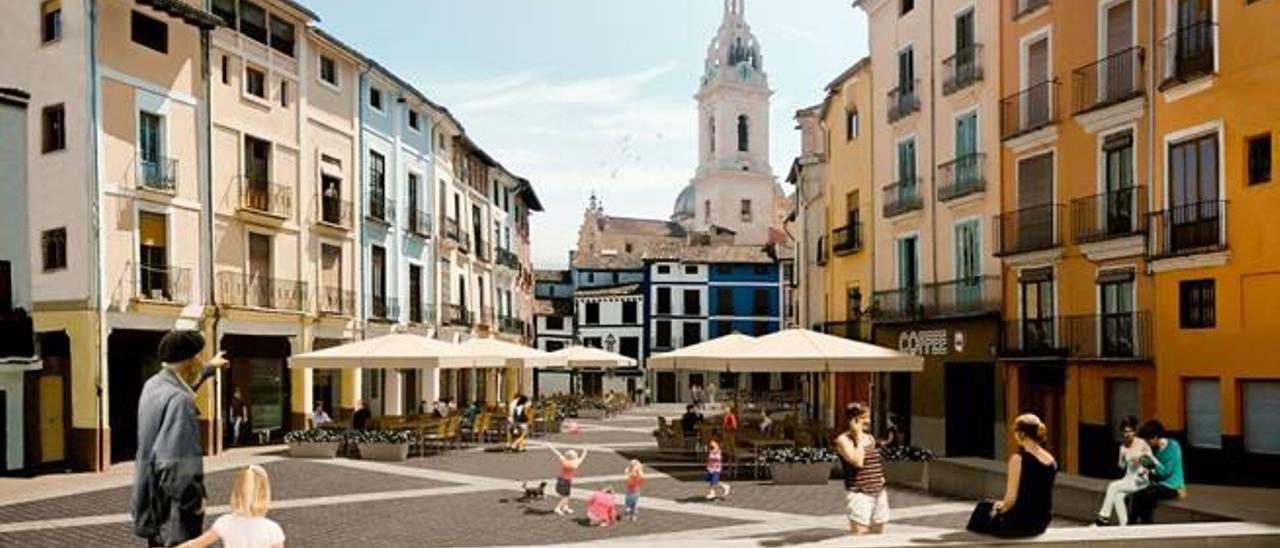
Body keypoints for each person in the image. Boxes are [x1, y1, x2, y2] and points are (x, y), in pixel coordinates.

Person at [132, 330, 227, 547]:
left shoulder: (153, 386)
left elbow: (184, 384)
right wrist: (194, 503)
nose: (201, 361)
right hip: (173, 517)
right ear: (190, 361)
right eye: (199, 357)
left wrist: (210, 368)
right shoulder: (180, 401)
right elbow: (177, 465)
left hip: (151, 505)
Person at [966, 413, 1058, 538]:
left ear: (1021, 434)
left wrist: (996, 510)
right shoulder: (1051, 459)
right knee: (987, 506)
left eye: (1015, 430)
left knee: (982, 509)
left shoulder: (1018, 459)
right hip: (1041, 522)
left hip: (1020, 522)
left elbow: (1010, 500)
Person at [177, 465, 284, 548]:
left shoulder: (225, 523)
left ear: (236, 493)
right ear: (265, 494)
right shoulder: (273, 530)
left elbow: (194, 544)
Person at [834, 402, 889, 535]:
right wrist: (858, 438)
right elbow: (858, 462)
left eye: (868, 417)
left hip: (878, 491)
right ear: (853, 420)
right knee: (859, 537)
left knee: (878, 536)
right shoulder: (843, 440)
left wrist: (881, 478)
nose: (869, 421)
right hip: (860, 493)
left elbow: (873, 460)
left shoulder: (869, 437)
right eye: (865, 417)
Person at [1095, 417, 1159, 526]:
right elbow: (1121, 466)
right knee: (1118, 496)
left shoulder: (1142, 444)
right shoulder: (1122, 447)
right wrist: (1122, 458)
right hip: (1128, 479)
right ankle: (1124, 525)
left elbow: (1152, 462)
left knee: (1113, 486)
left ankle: (1104, 517)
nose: (1127, 434)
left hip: (1140, 479)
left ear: (1134, 432)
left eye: (1130, 431)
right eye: (1125, 432)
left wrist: (1142, 463)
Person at [1129, 420, 1186, 524]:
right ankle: (1142, 523)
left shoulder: (1173, 447)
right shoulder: (1154, 448)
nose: (1146, 443)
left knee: (1143, 495)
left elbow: (1165, 472)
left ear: (1155, 437)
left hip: (1173, 486)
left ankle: (1133, 523)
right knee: (1138, 493)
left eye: (1148, 440)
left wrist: (1147, 460)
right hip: (1158, 484)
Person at [548, 443, 588, 516]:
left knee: (567, 495)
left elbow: (557, 453)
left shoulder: (564, 460)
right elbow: (583, 457)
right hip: (567, 481)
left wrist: (550, 446)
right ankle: (557, 508)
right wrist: (585, 449)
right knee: (565, 496)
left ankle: (565, 507)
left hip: (561, 479)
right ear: (574, 456)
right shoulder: (576, 463)